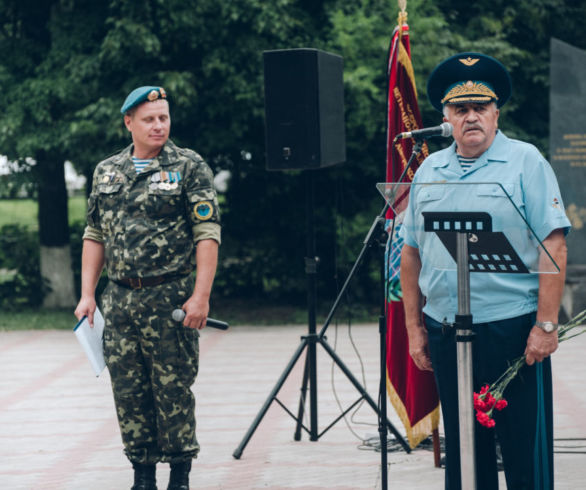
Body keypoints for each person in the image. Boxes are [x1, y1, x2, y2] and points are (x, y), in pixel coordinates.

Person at [399, 53, 570, 489]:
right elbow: (412, 252)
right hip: (446, 331)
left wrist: (546, 325)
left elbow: (553, 243)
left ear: (496, 114)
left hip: (509, 329)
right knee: (463, 446)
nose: (471, 117)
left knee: (521, 446)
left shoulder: (526, 162)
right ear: (446, 117)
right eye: (460, 109)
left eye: (480, 108)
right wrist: (415, 328)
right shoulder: (428, 170)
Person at [74, 86, 221, 490]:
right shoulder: (107, 170)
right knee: (129, 391)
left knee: (173, 388)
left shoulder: (189, 167)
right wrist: (88, 294)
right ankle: (141, 474)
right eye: (149, 119)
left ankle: (179, 475)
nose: (159, 126)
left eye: (164, 117)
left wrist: (201, 296)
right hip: (119, 300)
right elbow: (94, 233)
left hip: (169, 298)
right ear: (129, 123)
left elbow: (207, 232)